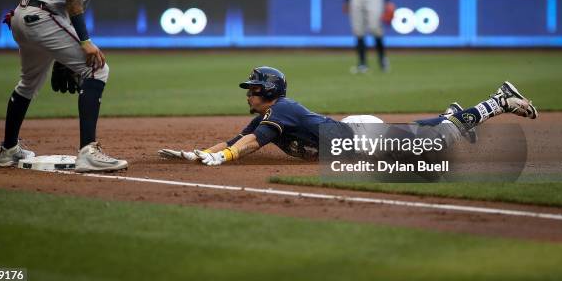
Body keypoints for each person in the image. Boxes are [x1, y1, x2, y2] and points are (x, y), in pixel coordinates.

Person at [159, 67, 538, 167]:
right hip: (356, 136)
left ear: (270, 91)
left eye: (254, 88)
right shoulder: (274, 114)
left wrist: (223, 158)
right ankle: (448, 116)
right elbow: (234, 141)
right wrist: (197, 153)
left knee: (442, 141)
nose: (249, 93)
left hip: (361, 138)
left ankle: (499, 101)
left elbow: (246, 146)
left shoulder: (283, 112)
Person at [0, 0, 128, 172]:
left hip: (24, 16)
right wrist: (84, 40)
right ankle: (88, 151)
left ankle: (8, 151)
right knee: (97, 70)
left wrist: (61, 57)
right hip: (44, 16)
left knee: (28, 83)